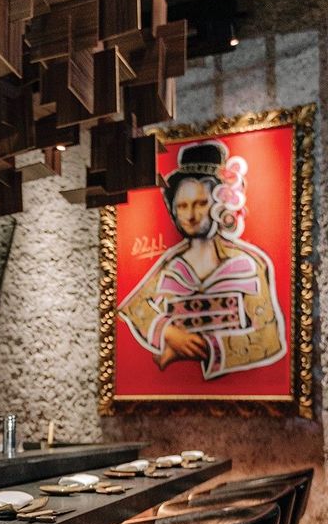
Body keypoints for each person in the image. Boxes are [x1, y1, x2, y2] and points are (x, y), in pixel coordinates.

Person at [118, 140, 287, 379]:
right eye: (182, 206)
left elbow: (269, 337)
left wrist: (205, 347)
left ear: (220, 204)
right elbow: (135, 307)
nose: (191, 215)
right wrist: (168, 332)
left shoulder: (247, 264)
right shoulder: (171, 267)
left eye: (201, 203)